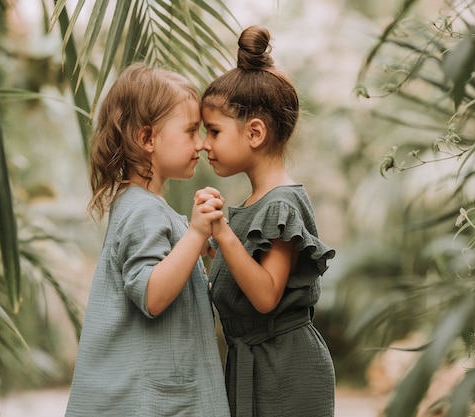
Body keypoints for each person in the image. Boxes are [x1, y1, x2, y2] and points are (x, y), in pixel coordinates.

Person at [64, 63, 231, 417]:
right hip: (153, 403)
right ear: (147, 139)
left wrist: (193, 244)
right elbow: (152, 294)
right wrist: (198, 233)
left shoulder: (145, 205)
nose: (200, 144)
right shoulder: (143, 210)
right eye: (190, 131)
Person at [200, 25, 336, 417]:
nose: (205, 144)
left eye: (214, 131)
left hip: (286, 373)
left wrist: (224, 235)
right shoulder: (254, 205)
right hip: (254, 367)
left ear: (255, 132)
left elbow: (265, 295)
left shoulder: (281, 207)